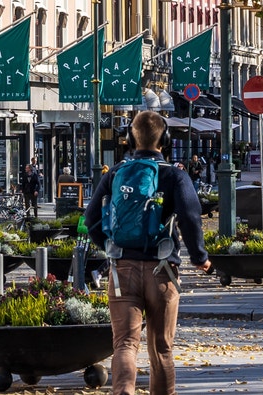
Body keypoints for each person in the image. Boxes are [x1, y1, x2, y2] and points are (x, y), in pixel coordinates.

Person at [83, 110, 210, 395]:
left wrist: (111, 248)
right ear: (165, 139)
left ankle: (123, 392)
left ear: (130, 139)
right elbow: (191, 218)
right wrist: (200, 258)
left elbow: (91, 220)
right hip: (162, 270)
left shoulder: (115, 173)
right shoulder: (174, 175)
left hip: (122, 271)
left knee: (125, 344)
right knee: (161, 349)